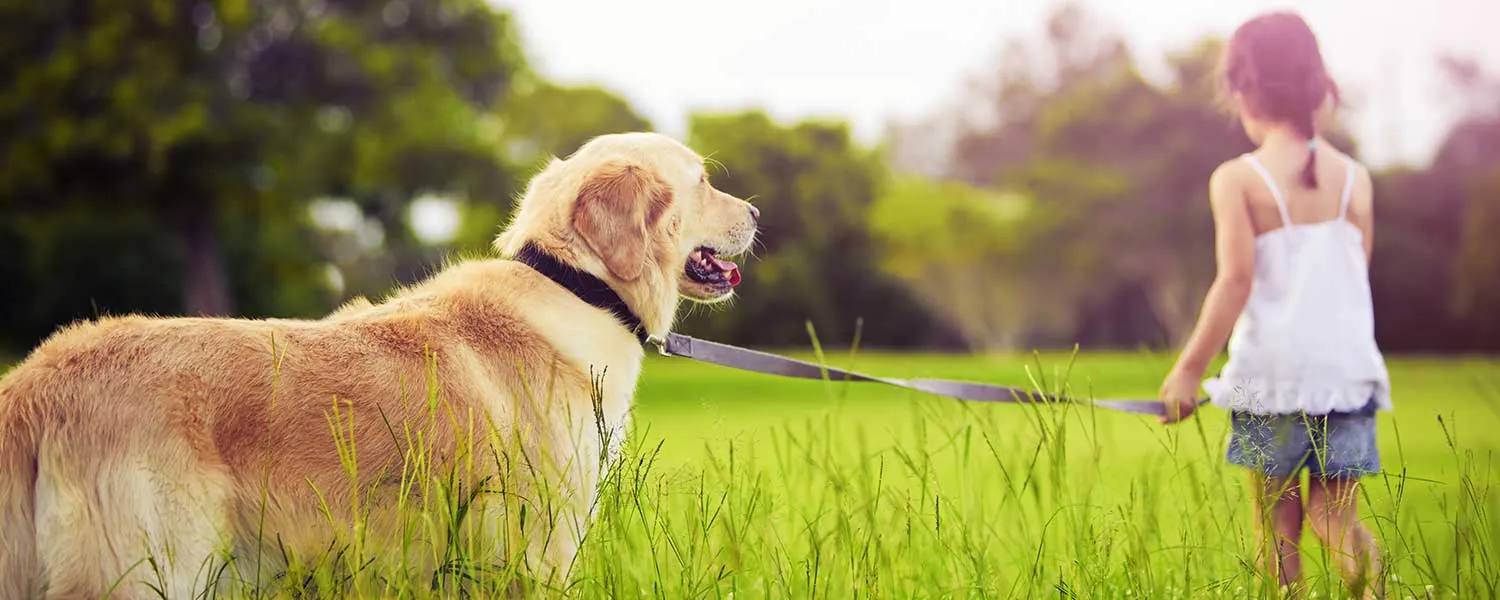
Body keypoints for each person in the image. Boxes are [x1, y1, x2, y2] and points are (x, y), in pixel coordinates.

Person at [1156, 10, 1389, 600]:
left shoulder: (1238, 179)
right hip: (1347, 379)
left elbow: (1235, 281)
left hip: (1266, 388)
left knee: (1274, 531)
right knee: (1338, 521)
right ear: (1318, 86)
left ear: (1242, 91)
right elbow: (1354, 273)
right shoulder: (1355, 178)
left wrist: (1188, 371)